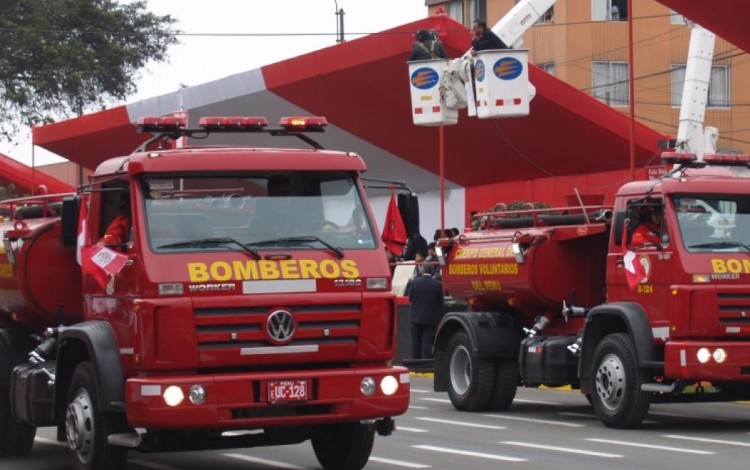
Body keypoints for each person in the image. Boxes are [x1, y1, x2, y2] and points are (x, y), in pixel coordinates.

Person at [408, 263, 444, 360]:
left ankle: (415, 361)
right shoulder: (437, 284)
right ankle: (425, 362)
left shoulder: (414, 283)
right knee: (427, 341)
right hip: (430, 317)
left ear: (422, 271)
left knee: (416, 341)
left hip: (416, 316)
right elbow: (440, 301)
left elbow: (410, 298)